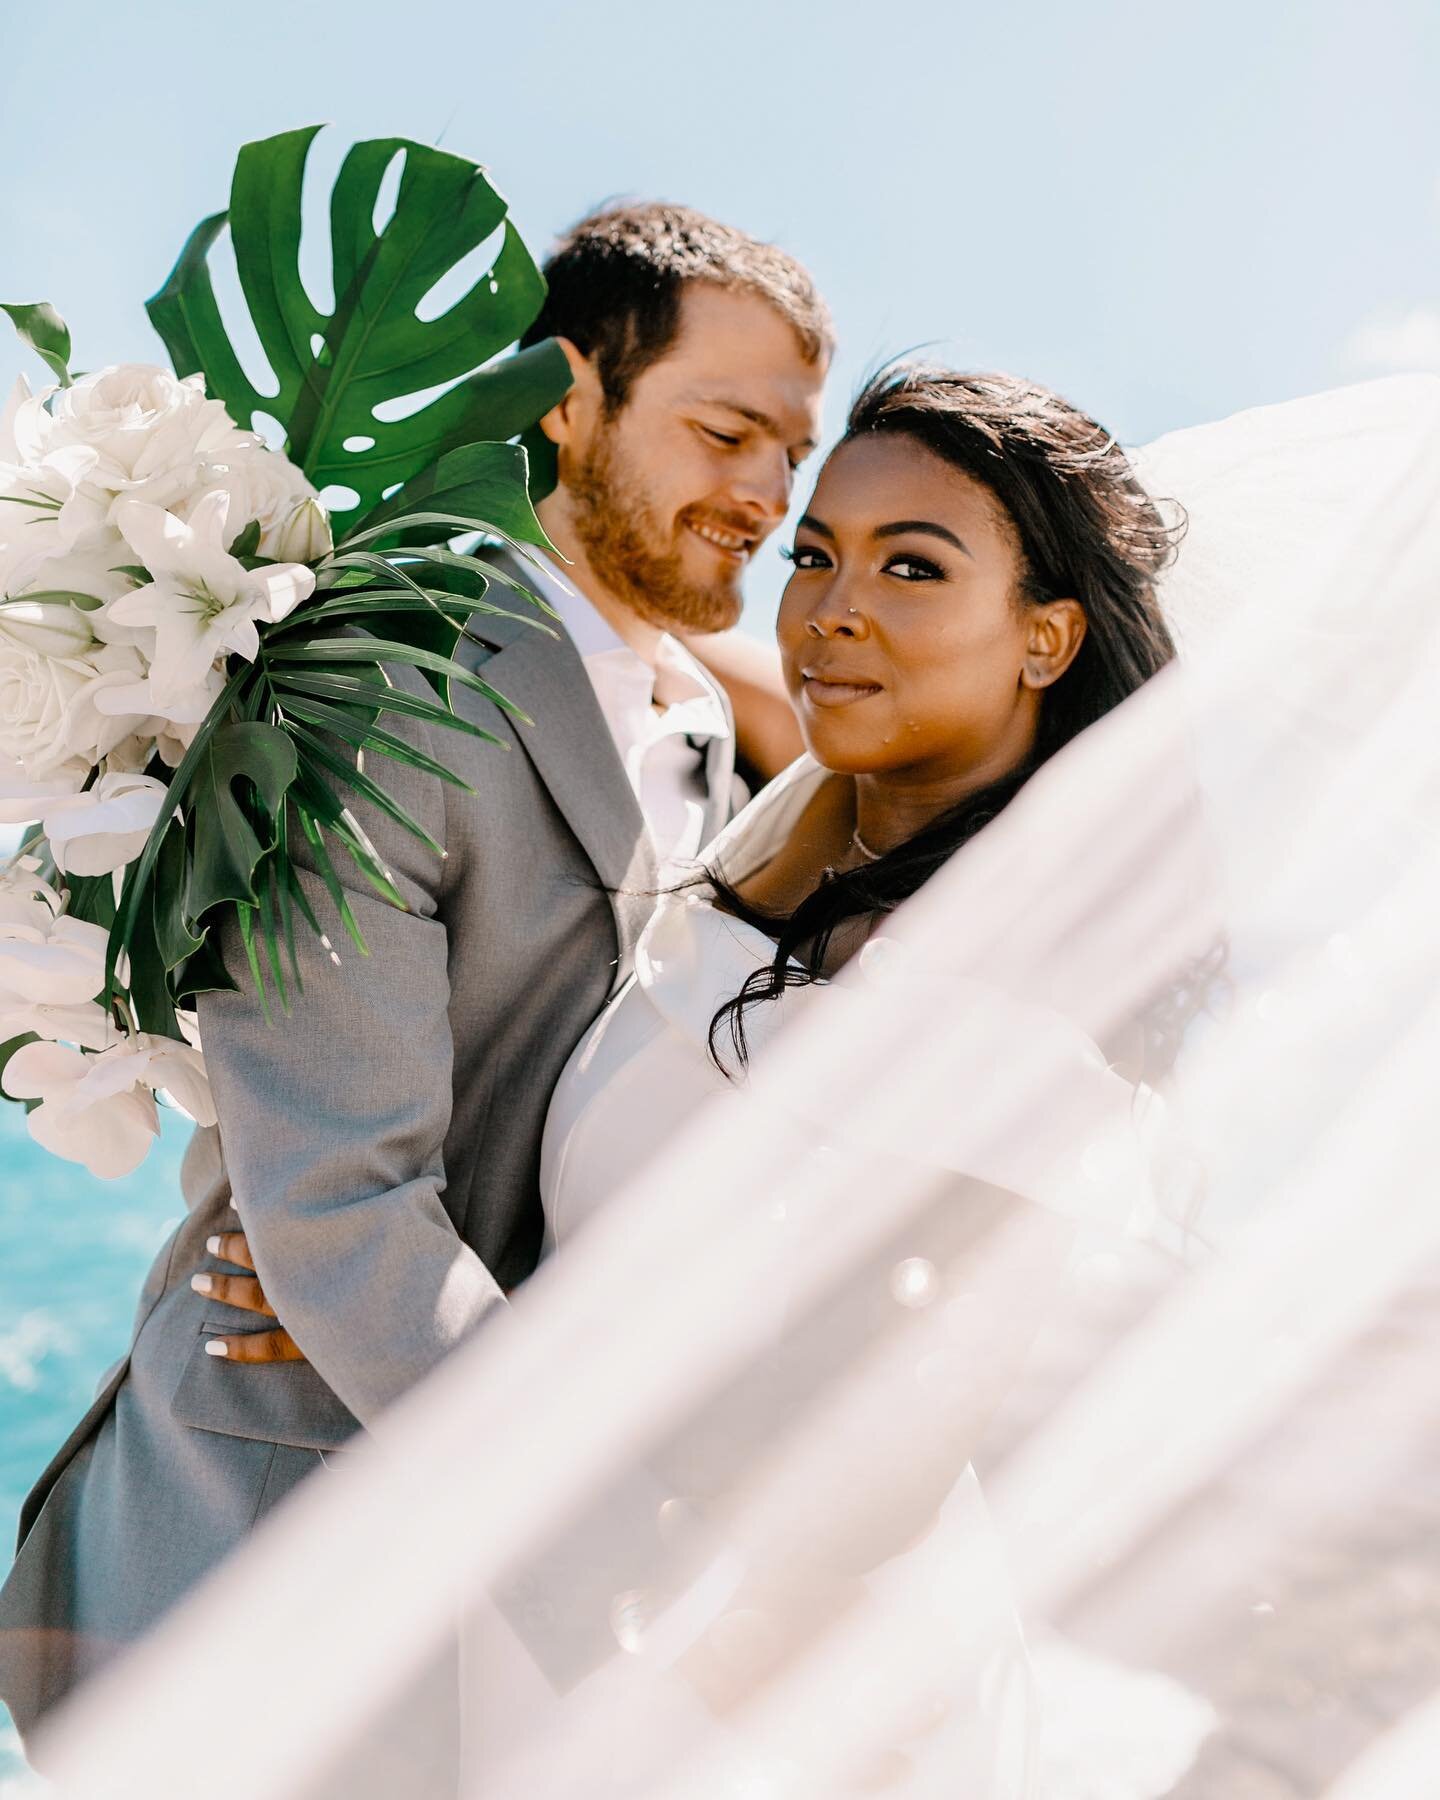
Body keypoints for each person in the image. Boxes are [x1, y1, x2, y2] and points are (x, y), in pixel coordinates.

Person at [181, 364, 1187, 1792]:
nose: (833, 605)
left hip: (735, 1667)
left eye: (914, 565)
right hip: (565, 1591)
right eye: (816, 553)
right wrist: (363, 1290)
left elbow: (895, 1437)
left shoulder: (1013, 989)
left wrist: (690, 1687)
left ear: (1046, 639)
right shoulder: (789, 851)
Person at [0, 201, 831, 1746]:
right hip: (281, 1552)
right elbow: (341, 1205)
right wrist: (644, 1583)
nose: (769, 493)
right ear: (569, 400)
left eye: (795, 449)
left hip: (510, 1566)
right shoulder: (377, 679)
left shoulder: (715, 741)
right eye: (725, 432)